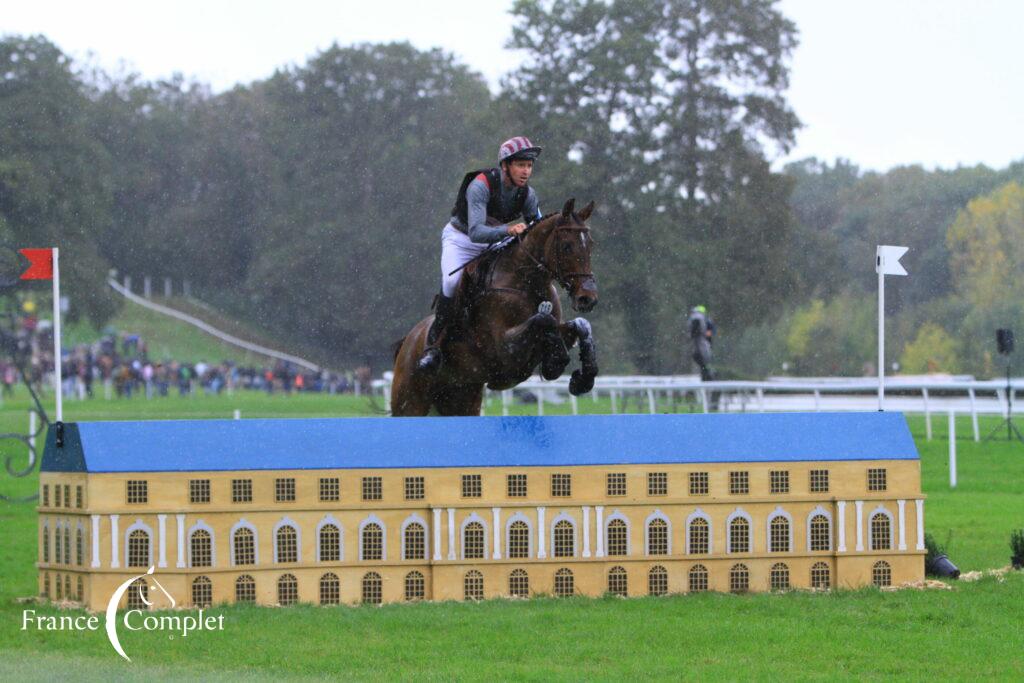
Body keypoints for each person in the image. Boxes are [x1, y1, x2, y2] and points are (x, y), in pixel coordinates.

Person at [416, 136, 544, 373]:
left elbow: (538, 229)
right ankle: (433, 346)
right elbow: (476, 232)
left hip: (494, 242)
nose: (526, 171)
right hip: (462, 240)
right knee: (452, 281)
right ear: (505, 165)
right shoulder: (481, 185)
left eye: (529, 166)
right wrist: (508, 229)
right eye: (520, 165)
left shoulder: (528, 195)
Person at [688, 305, 716, 381]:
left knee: (702, 360)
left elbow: (711, 331)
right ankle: (707, 374)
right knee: (703, 361)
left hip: (702, 343)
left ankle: (708, 375)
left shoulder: (703, 319)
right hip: (702, 343)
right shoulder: (704, 319)